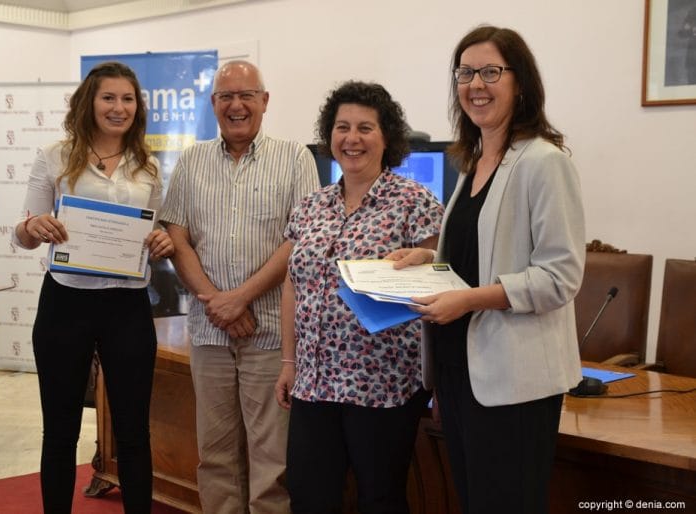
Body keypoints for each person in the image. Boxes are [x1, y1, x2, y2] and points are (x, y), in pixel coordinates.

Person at [389, 25, 585, 514]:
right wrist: (428, 261)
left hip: (515, 378)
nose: (476, 84)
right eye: (466, 73)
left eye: (491, 72)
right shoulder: (474, 160)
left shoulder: (544, 161)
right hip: (460, 370)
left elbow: (560, 276)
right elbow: (475, 261)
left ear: (520, 83)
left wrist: (470, 299)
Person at [158, 60, 320, 514]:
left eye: (247, 95)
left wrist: (240, 298)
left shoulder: (295, 157)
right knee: (215, 457)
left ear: (265, 101)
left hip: (269, 333)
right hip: (210, 334)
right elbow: (177, 236)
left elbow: (299, 239)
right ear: (213, 104)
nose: (236, 105)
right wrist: (217, 303)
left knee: (272, 463)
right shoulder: (192, 161)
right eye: (226, 96)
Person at [13, 61, 174, 514]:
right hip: (66, 301)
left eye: (127, 99)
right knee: (60, 430)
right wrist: (34, 226)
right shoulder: (54, 157)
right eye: (109, 97)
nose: (118, 107)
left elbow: (154, 233)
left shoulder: (150, 167)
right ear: (90, 102)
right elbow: (22, 235)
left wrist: (160, 240)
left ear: (137, 108)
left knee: (134, 432)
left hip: (127, 305)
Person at [275, 81, 443, 514]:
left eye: (365, 128)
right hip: (315, 382)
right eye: (342, 127)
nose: (352, 138)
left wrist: (427, 255)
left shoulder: (414, 201)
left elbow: (445, 279)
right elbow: (294, 282)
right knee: (309, 495)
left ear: (387, 138)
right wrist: (289, 362)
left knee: (380, 499)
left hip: (383, 384)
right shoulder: (310, 206)